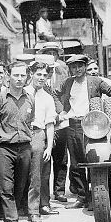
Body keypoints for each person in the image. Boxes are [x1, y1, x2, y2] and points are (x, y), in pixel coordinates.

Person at [58, 54, 111, 209]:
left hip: (93, 126)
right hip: (73, 124)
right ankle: (82, 197)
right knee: (76, 163)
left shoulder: (95, 81)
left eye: (80, 66)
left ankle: (97, 197)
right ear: (70, 69)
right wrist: (62, 111)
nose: (77, 69)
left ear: (85, 67)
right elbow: (55, 94)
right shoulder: (68, 83)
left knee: (94, 159)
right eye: (73, 67)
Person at [0, 61, 35, 222]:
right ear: (8, 76)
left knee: (20, 185)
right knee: (6, 186)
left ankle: (7, 212)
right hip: (4, 148)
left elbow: (30, 121)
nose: (19, 79)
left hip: (24, 147)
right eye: (16, 75)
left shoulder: (30, 98)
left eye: (23, 75)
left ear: (27, 77)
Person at [25, 58, 58, 219]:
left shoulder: (47, 98)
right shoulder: (22, 92)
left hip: (38, 134)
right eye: (38, 74)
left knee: (37, 175)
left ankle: (34, 210)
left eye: (45, 75)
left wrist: (49, 147)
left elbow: (50, 124)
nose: (41, 77)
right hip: (21, 135)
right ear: (31, 74)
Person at [38, 44, 69, 203]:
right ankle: (43, 196)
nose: (48, 71)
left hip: (61, 121)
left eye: (53, 53)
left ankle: (59, 190)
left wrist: (63, 113)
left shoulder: (63, 72)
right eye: (48, 53)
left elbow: (66, 95)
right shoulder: (38, 79)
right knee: (44, 159)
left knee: (61, 158)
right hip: (44, 125)